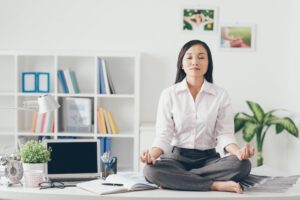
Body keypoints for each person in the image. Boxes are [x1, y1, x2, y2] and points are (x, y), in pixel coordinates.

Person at [140, 40, 255, 193]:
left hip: (208, 160)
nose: (195, 62)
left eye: (201, 57)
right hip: (177, 158)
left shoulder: (220, 94)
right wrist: (151, 157)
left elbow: (225, 134)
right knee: (150, 171)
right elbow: (164, 134)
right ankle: (214, 184)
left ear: (208, 63)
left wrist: (238, 152)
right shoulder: (169, 94)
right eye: (189, 57)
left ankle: (180, 180)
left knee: (243, 165)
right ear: (181, 63)